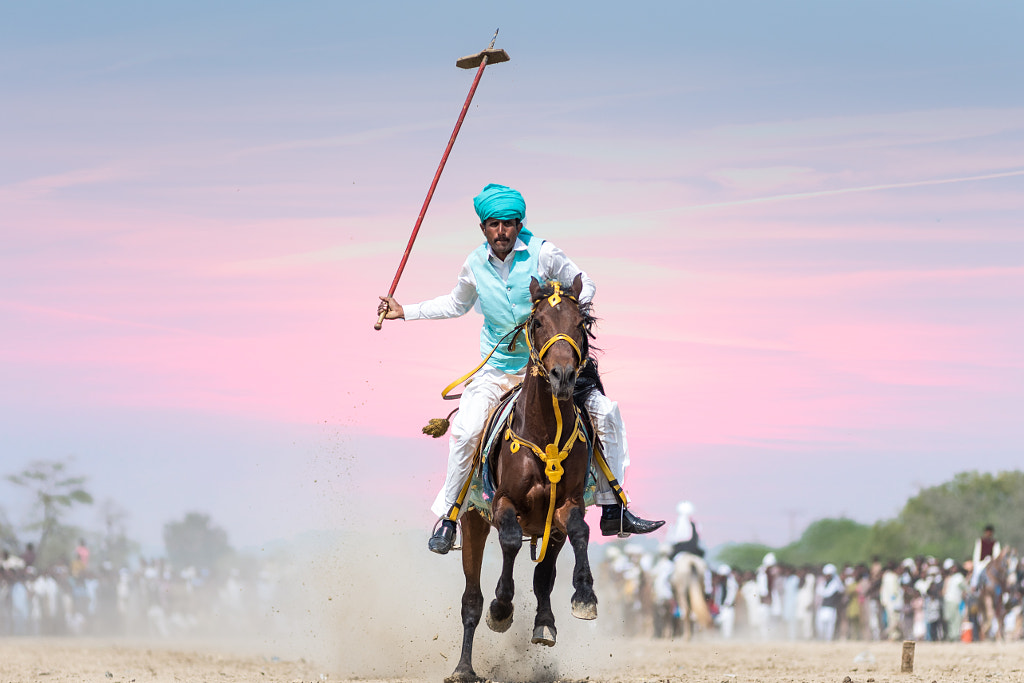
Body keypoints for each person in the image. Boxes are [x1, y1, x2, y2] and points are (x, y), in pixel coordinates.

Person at [378, 183, 665, 554]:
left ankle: (614, 508)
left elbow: (586, 282)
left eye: (510, 224)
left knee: (606, 413)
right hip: (496, 372)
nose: (502, 231)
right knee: (465, 432)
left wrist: (568, 310)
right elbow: (456, 303)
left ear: (519, 225)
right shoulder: (474, 263)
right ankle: (450, 517)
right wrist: (407, 312)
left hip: (549, 371)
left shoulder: (544, 253)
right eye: (494, 224)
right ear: (483, 228)